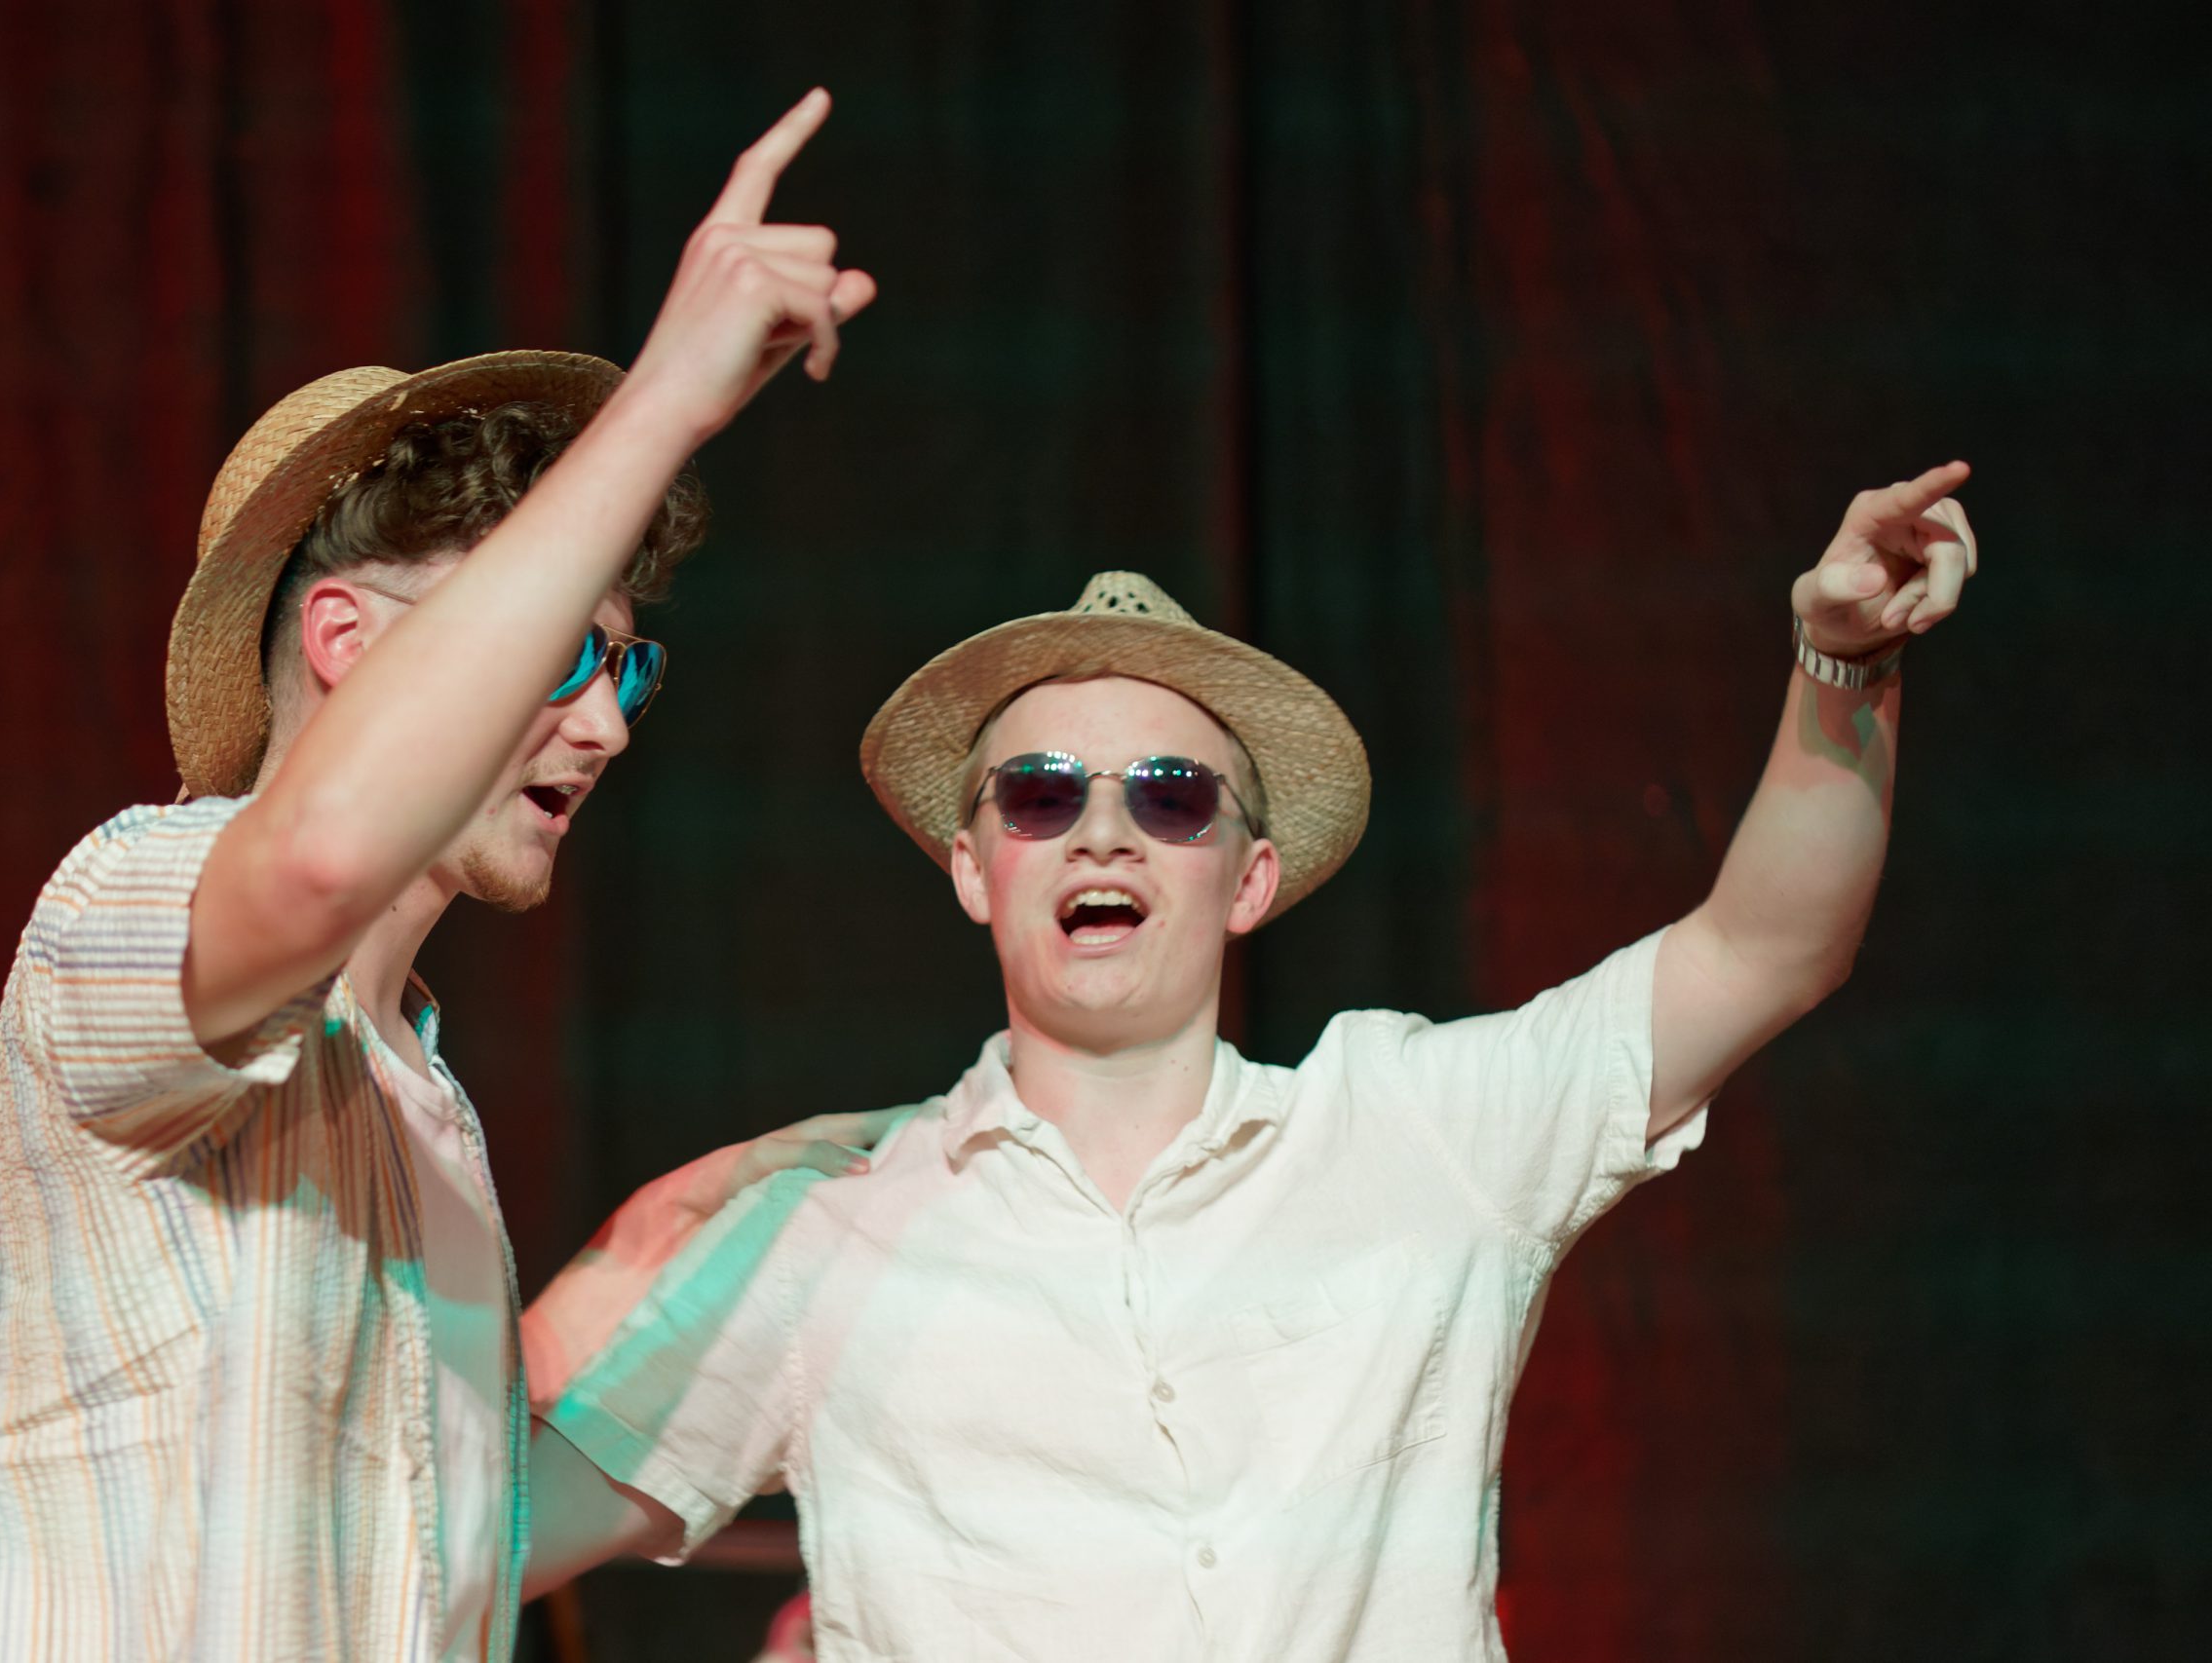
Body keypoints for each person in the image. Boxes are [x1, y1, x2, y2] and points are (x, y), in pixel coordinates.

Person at [520, 473, 1980, 1658]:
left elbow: (1767, 950)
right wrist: (604, 1269)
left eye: (1169, 795)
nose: (1102, 830)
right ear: (973, 868)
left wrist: (1843, 666)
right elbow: (474, 1545)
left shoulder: (1421, 1128)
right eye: (1040, 793)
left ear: (1251, 876)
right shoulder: (826, 1233)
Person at [0, 90, 880, 1661]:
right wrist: (664, 401)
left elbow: (459, 1554)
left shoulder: (424, 1105)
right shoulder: (119, 899)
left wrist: (782, 1257)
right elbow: (312, 861)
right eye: (557, 646)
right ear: (346, 641)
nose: (604, 727)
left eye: (626, 670)